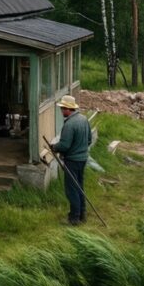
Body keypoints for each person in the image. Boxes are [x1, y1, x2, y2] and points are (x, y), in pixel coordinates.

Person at [50, 94, 92, 225]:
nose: (61, 111)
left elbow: (65, 145)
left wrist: (54, 147)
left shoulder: (69, 125)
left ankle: (74, 218)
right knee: (79, 187)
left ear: (69, 109)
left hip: (72, 161)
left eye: (63, 108)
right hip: (83, 159)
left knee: (72, 189)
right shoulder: (84, 119)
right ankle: (82, 215)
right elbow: (89, 140)